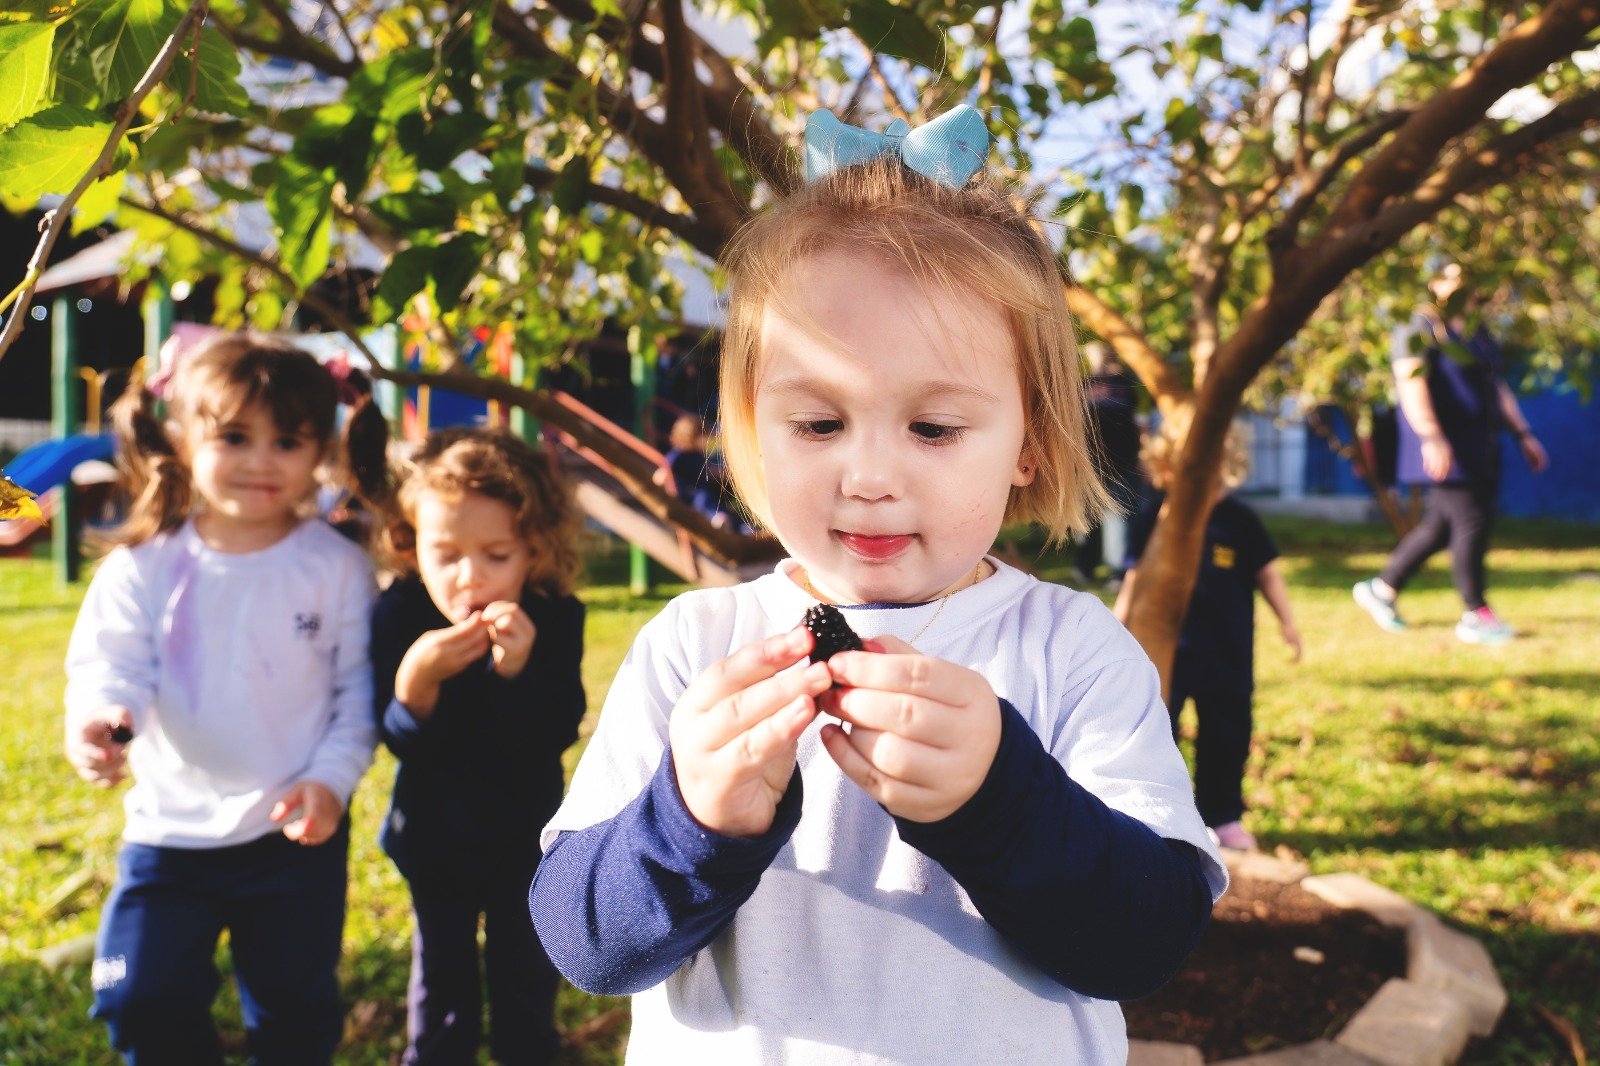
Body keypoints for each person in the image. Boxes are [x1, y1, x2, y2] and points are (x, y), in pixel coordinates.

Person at [528, 107, 1226, 1064]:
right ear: (751, 430)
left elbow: (1146, 941)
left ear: (1028, 441)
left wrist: (1001, 802)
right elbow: (586, 945)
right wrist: (690, 822)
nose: (868, 476)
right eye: (818, 424)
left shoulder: (1072, 650)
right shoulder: (696, 648)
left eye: (933, 429)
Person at [62, 334, 377, 1064]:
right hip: (167, 839)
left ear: (321, 451)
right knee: (135, 997)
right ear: (182, 438)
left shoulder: (336, 568)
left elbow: (355, 698)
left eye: (287, 441)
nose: (261, 460)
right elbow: (111, 666)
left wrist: (329, 782)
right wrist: (101, 719)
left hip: (291, 837)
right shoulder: (143, 565)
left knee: (295, 1013)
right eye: (235, 436)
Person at [356, 426, 586, 1065]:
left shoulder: (554, 615)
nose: (470, 577)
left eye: (496, 555)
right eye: (446, 554)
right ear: (411, 545)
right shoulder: (401, 613)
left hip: (525, 834)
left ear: (533, 549)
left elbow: (558, 728)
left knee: (525, 971)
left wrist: (517, 673)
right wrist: (415, 685)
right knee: (442, 972)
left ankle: (529, 1051)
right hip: (433, 835)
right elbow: (397, 739)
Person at [1114, 426, 1302, 853]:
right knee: (1160, 731)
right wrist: (1118, 625)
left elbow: (1268, 574)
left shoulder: (1240, 520)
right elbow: (1135, 577)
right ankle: (1161, 814)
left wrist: (1288, 624)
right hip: (1168, 655)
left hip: (1227, 653)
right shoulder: (1158, 516)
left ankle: (1222, 816)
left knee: (1227, 734)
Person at [1352, 262, 1548, 645]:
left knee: (1440, 528)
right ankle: (1477, 613)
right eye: (1454, 276)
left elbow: (1496, 385)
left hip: (1479, 443)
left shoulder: (1475, 329)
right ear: (1435, 282)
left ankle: (1382, 588)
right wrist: (1432, 436)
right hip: (1445, 446)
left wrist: (1523, 433)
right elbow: (1410, 385)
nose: (1464, 284)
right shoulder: (1418, 327)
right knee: (1472, 521)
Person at [1074, 341, 1144, 588]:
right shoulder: (1082, 385)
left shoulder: (1126, 383)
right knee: (1087, 515)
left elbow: (1139, 419)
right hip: (1089, 463)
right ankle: (1085, 566)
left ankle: (1118, 572)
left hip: (1122, 461)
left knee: (1118, 516)